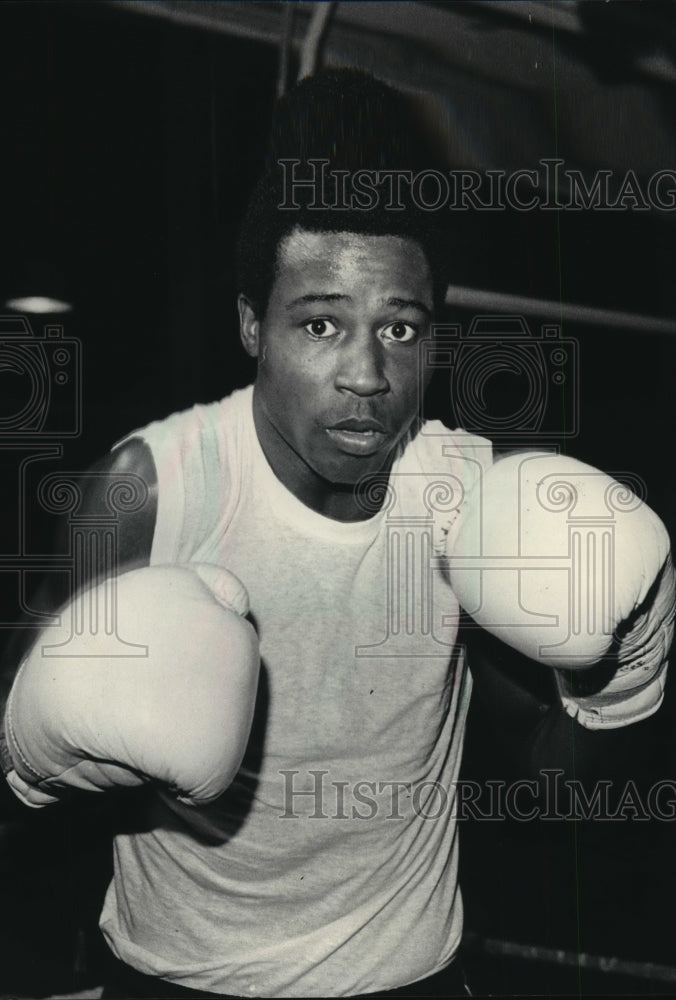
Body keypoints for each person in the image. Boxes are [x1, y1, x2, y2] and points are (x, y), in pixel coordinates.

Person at [0, 69, 673, 999]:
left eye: (400, 329)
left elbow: (554, 785)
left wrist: (628, 675)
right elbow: (6, 789)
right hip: (173, 979)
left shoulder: (470, 498)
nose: (366, 373)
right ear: (251, 326)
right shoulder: (145, 493)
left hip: (409, 980)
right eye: (321, 323)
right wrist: (37, 753)